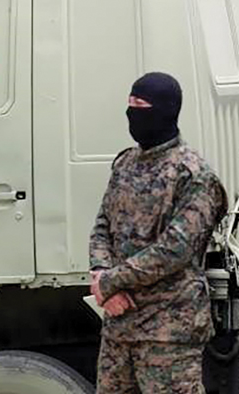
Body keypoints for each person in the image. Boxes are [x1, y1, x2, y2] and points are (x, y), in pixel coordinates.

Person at [89, 72, 227, 394]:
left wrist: (110, 281)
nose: (131, 112)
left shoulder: (193, 175)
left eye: (140, 105)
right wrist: (101, 274)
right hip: (119, 327)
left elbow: (175, 250)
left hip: (168, 331)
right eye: (129, 104)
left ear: (165, 110)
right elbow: (101, 227)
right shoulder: (125, 164)